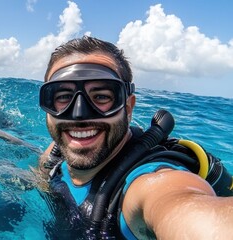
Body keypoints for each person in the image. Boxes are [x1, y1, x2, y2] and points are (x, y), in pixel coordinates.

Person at [37, 35, 233, 239]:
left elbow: (185, 212)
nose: (79, 116)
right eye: (63, 97)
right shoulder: (58, 150)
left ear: (128, 107)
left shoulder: (147, 184)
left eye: (102, 97)